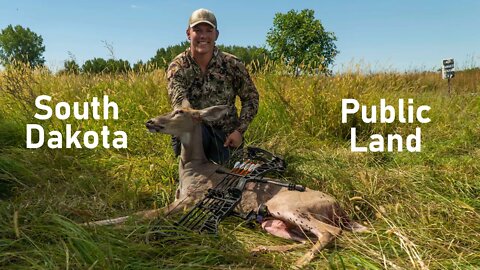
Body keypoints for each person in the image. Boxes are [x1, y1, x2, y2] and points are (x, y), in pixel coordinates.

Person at [167, 8, 259, 164]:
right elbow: (179, 100)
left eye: (209, 31)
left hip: (225, 137)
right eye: (197, 30)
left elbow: (251, 98)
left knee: (229, 177)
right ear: (189, 33)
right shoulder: (178, 67)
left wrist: (239, 132)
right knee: (193, 177)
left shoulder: (232, 65)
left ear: (216, 35)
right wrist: (189, 114)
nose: (203, 36)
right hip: (194, 132)